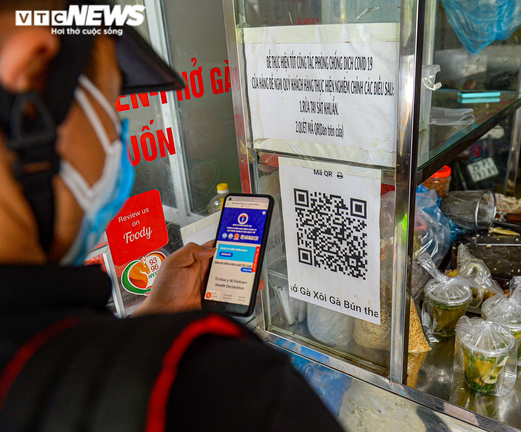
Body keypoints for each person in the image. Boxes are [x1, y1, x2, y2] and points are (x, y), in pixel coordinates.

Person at [0, 1, 344, 430]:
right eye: (110, 105)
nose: (117, 139)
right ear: (32, 70)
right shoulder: (216, 385)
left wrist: (154, 315)